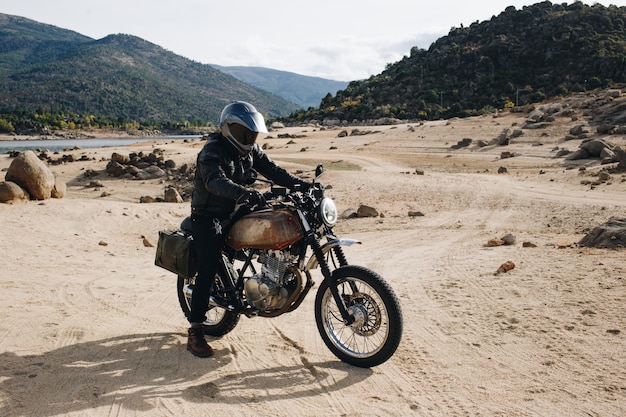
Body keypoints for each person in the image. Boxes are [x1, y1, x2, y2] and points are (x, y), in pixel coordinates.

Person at [187, 101, 310, 357]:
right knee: (208, 269)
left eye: (253, 134)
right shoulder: (212, 150)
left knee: (273, 229)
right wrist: (246, 194)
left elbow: (274, 171)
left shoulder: (251, 150)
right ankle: (196, 331)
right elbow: (214, 181)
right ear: (229, 128)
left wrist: (302, 185)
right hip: (208, 217)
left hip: (238, 210)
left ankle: (268, 279)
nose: (250, 138)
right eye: (246, 133)